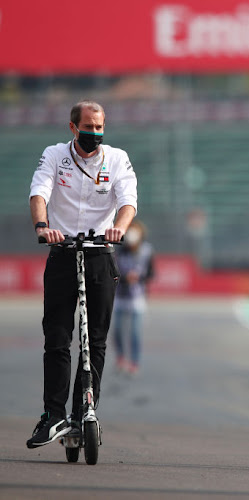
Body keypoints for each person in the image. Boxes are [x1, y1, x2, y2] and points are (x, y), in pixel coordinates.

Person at [27, 100, 138, 448]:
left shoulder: (117, 158)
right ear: (73, 127)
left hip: (99, 254)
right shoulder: (55, 155)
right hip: (61, 252)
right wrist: (43, 227)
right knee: (58, 337)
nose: (95, 133)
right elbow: (39, 192)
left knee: (96, 340)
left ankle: (84, 409)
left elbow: (128, 200)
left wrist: (119, 228)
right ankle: (53, 415)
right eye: (88, 127)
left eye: (99, 126)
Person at [112, 218, 154, 376]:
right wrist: (124, 278)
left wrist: (139, 278)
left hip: (137, 297)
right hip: (119, 295)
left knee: (135, 332)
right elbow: (112, 272)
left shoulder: (147, 250)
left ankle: (134, 361)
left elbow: (151, 273)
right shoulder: (118, 250)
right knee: (117, 330)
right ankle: (121, 357)